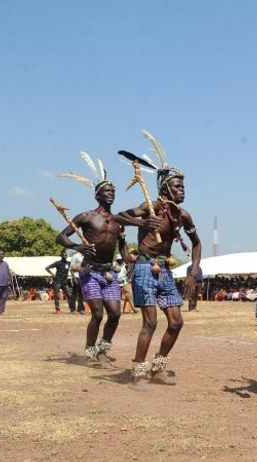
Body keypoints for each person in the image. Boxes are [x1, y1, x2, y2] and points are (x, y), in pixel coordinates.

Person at [116, 130, 201, 389]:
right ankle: (138, 373)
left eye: (183, 186)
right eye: (177, 186)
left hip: (164, 269)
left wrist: (191, 273)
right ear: (165, 188)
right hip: (143, 267)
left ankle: (157, 367)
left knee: (176, 322)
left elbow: (197, 244)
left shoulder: (183, 216)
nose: (182, 190)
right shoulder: (148, 206)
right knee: (150, 322)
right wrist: (142, 221)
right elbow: (118, 216)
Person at [56, 152, 129, 365]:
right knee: (97, 314)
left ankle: (103, 349)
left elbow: (123, 246)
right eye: (107, 191)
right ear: (97, 195)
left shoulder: (118, 222)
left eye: (113, 191)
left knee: (115, 314)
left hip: (109, 272)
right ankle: (90, 352)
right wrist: (77, 246)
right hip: (90, 271)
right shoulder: (86, 217)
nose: (111, 194)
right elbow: (60, 236)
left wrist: (129, 262)